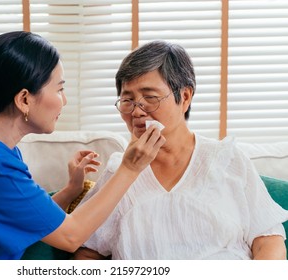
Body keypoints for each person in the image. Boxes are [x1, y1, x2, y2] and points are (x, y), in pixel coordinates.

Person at [0, 31, 165, 260]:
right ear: (24, 99)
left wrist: (72, 189)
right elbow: (70, 236)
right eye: (59, 89)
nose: (64, 100)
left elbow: (33, 218)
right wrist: (130, 168)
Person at [73, 40, 288, 260]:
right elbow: (88, 251)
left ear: (184, 97)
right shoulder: (118, 173)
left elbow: (268, 239)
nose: (137, 111)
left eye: (150, 97)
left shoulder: (228, 160)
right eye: (127, 99)